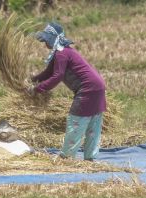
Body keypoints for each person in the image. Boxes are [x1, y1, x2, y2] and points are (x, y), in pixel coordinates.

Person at [30, 22, 106, 161]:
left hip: (87, 89)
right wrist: (33, 80)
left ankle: (66, 158)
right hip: (98, 88)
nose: (44, 43)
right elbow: (49, 72)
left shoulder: (61, 53)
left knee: (76, 121)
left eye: (46, 40)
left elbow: (57, 76)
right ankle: (90, 159)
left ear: (52, 39)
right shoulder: (63, 51)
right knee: (92, 127)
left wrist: (38, 89)